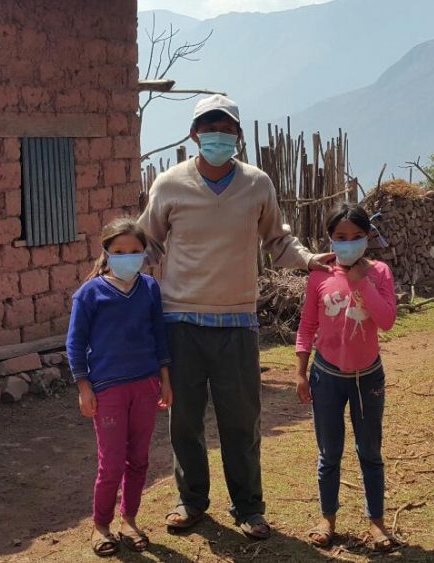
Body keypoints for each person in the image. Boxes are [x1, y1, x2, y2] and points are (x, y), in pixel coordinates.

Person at [138, 94, 334, 539]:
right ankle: (191, 502)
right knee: (184, 419)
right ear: (194, 135)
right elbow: (148, 241)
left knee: (240, 420)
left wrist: (307, 260)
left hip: (236, 323)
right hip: (181, 322)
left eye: (227, 129)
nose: (219, 136)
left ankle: (249, 507)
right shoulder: (169, 185)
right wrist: (118, 271)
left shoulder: (257, 184)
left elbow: (277, 241)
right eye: (210, 128)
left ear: (239, 136)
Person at [295, 203, 400, 552]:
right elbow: (308, 325)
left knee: (369, 451)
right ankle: (327, 519)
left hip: (368, 378)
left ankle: (376, 524)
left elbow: (386, 321)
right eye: (341, 237)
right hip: (326, 376)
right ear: (330, 239)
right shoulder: (319, 276)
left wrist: (362, 282)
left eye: (356, 237)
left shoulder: (380, 272)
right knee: (330, 453)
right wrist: (300, 372)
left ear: (368, 237)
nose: (349, 243)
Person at [65, 218, 174, 557]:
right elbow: (75, 343)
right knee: (111, 462)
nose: (128, 257)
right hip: (108, 389)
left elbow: (159, 336)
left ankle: (129, 519)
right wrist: (84, 387)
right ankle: (101, 525)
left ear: (144, 253)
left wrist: (165, 381)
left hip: (145, 384)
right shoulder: (89, 294)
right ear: (106, 253)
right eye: (119, 251)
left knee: (139, 459)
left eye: (135, 251)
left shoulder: (150, 288)